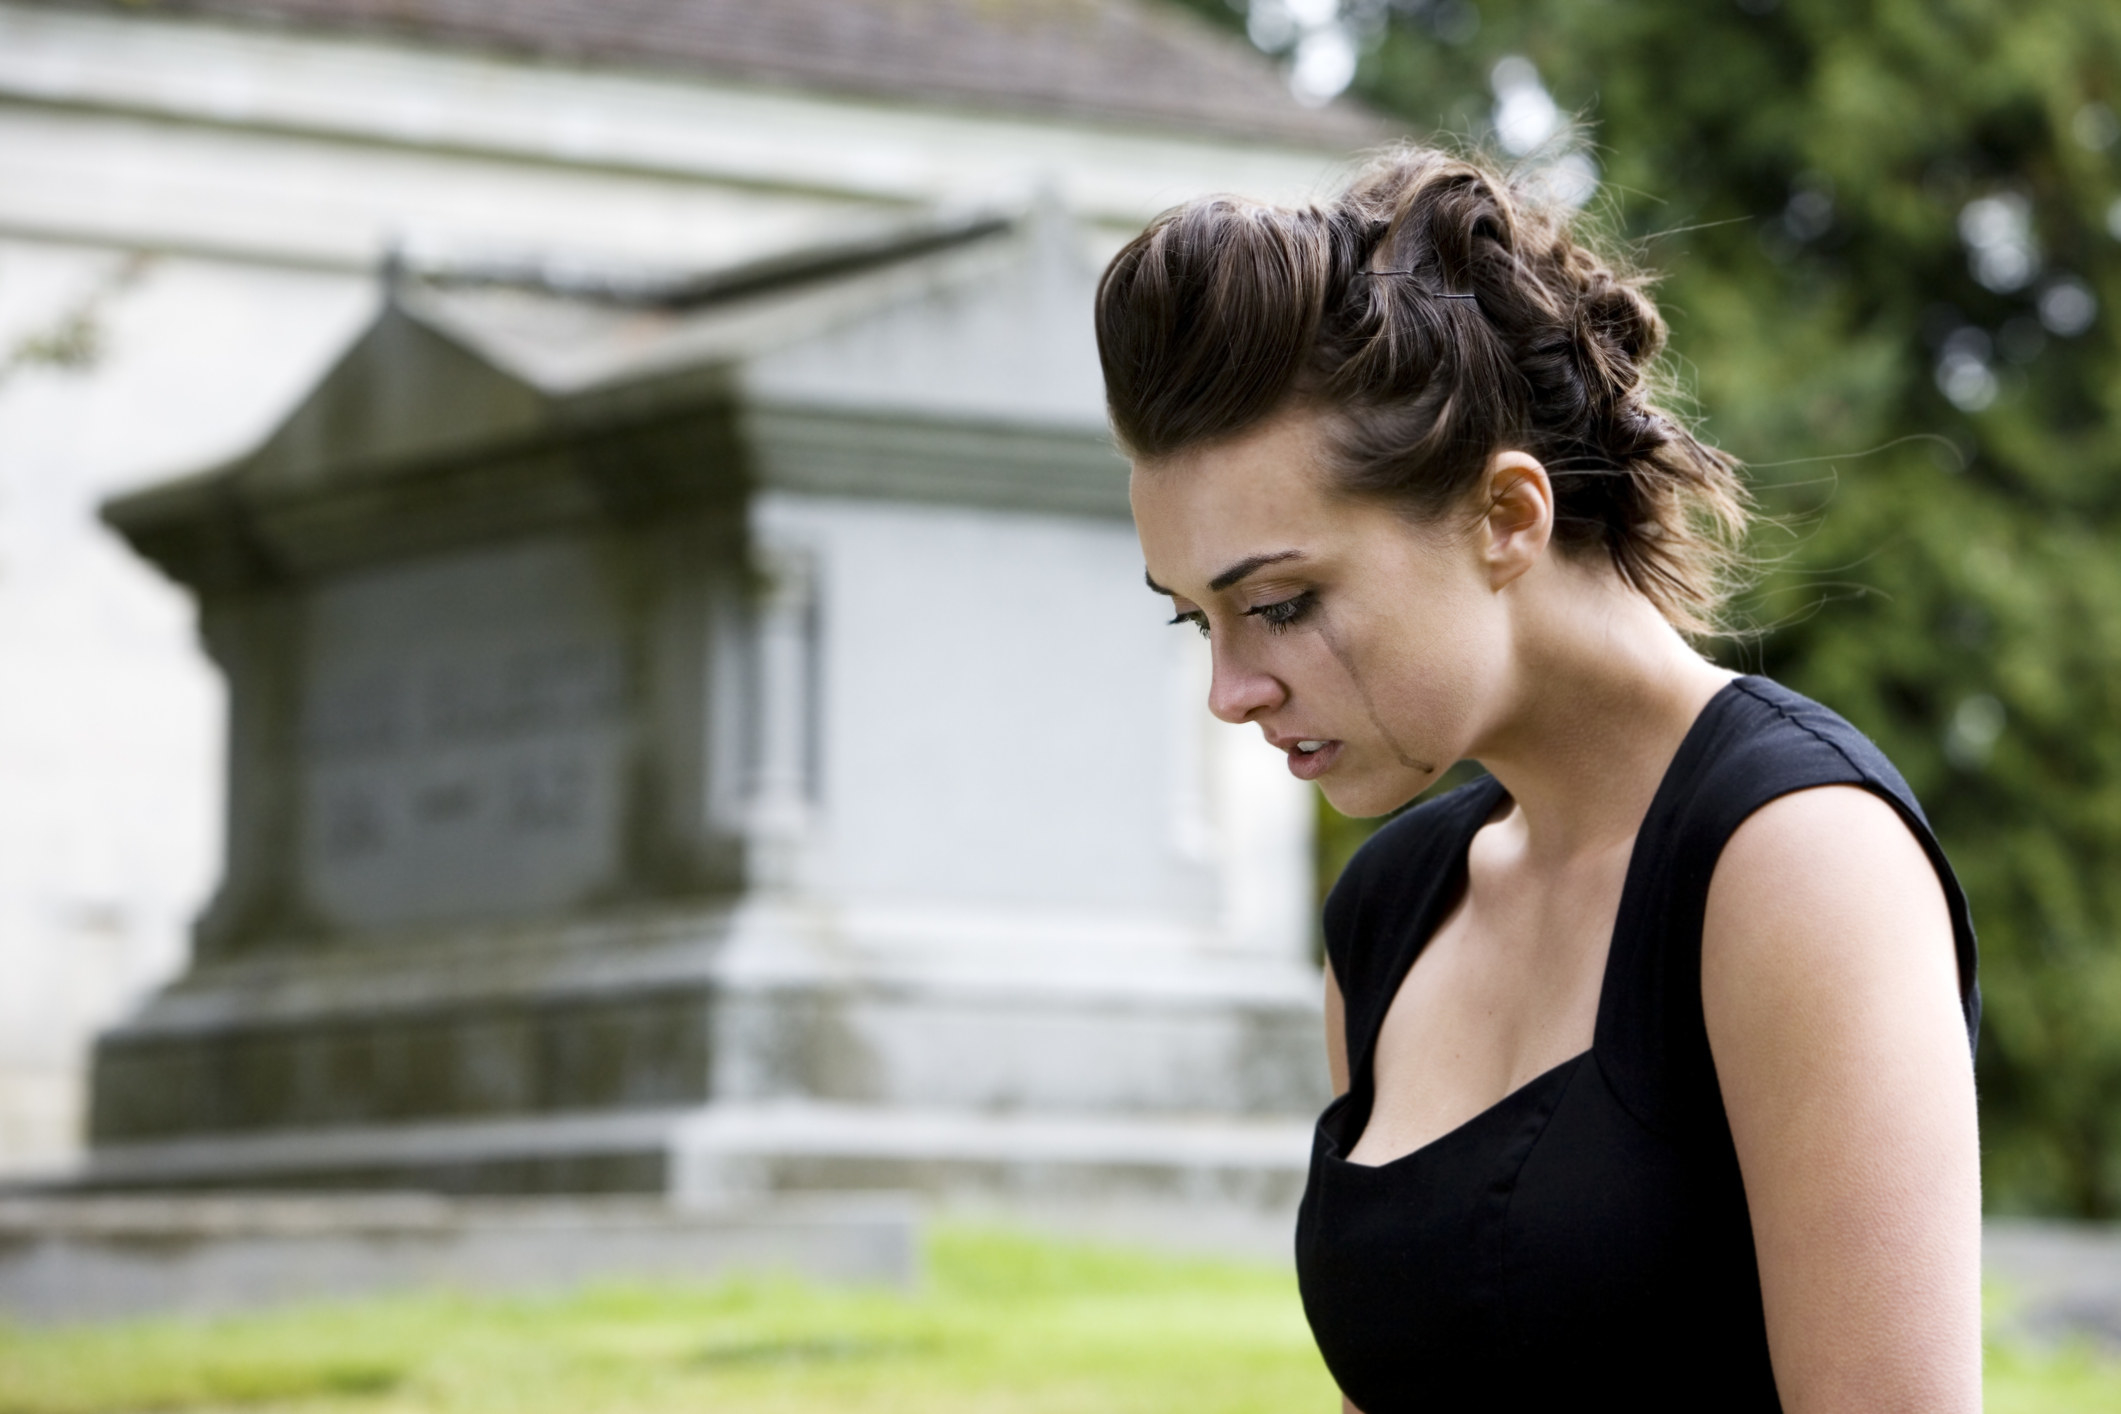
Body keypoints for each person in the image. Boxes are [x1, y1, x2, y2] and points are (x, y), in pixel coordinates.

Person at [1095, 148, 1982, 1412]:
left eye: (1280, 605)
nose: (1232, 688)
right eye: (1199, 620)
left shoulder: (1800, 860)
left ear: (1509, 515)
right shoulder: (1392, 908)